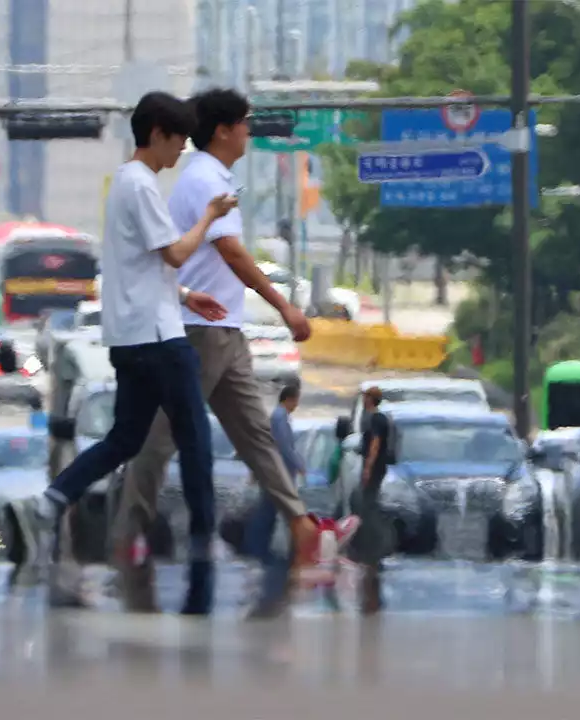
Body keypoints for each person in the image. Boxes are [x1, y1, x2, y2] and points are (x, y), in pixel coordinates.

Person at [117, 87, 353, 612]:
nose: (250, 130)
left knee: (258, 432)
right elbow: (230, 251)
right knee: (159, 439)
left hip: (223, 331)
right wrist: (285, 306)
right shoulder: (203, 177)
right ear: (222, 130)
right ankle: (127, 537)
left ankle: (300, 526)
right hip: (198, 330)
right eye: (245, 122)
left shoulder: (213, 176)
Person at [3, 92, 235, 614]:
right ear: (157, 133)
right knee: (194, 437)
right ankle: (204, 541)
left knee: (126, 437)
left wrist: (182, 293)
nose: (180, 152)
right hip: (158, 340)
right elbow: (176, 251)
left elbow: (141, 267)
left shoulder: (124, 186)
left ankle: (49, 502)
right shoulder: (139, 184)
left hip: (131, 336)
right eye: (177, 141)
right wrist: (210, 215)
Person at [243, 384, 306, 618]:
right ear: (289, 399)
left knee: (271, 511)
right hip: (278, 473)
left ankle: (266, 549)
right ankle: (262, 549)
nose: (297, 405)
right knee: (270, 511)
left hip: (276, 472)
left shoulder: (279, 417)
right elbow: (283, 446)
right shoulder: (280, 417)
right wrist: (299, 465)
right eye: (296, 401)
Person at [346, 387, 394, 614]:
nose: (363, 401)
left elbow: (374, 444)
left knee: (368, 505)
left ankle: (372, 546)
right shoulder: (379, 418)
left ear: (371, 400)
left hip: (374, 469)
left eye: (365, 398)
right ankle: (371, 545)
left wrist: (367, 467)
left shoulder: (376, 419)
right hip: (378, 468)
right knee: (368, 504)